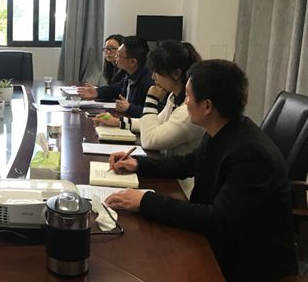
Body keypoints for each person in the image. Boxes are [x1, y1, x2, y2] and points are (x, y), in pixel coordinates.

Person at [104, 60, 298, 281]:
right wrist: (138, 164)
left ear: (207, 106)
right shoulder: (224, 129)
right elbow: (188, 163)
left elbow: (218, 220)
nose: (185, 102)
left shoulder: (251, 155)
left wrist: (145, 200)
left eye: (188, 95)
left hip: (248, 263)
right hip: (220, 242)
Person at [94, 41, 205, 196]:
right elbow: (155, 123)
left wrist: (151, 100)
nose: (153, 77)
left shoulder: (188, 111)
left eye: (157, 72)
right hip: (168, 172)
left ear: (176, 74)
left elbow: (150, 140)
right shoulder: (174, 97)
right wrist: (120, 122)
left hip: (183, 187)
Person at [77, 35, 153, 118]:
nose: (116, 57)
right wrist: (97, 92)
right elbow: (115, 89)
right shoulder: (130, 74)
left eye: (119, 55)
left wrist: (129, 108)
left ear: (132, 62)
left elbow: (154, 113)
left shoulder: (149, 81)